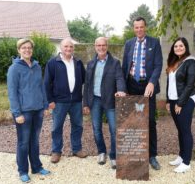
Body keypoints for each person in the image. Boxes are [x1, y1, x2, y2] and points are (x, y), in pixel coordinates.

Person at [122, 16, 163, 170]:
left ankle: (152, 156)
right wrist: (123, 88)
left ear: (145, 27)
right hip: (132, 85)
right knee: (133, 121)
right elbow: (125, 66)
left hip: (148, 86)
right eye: (136, 27)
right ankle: (134, 155)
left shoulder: (154, 42)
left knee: (150, 121)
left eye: (141, 27)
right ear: (134, 28)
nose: (139, 30)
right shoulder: (129, 44)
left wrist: (152, 82)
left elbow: (158, 65)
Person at [7, 38, 51, 183]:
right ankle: (23, 171)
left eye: (29, 48)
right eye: (24, 48)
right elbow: (12, 93)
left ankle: (37, 167)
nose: (27, 50)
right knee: (23, 142)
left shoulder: (37, 67)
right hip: (23, 112)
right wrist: (17, 113)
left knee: (35, 141)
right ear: (19, 50)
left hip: (38, 110)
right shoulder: (14, 68)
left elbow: (41, 87)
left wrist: (45, 105)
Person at [83, 37, 126, 169]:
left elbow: (119, 78)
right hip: (94, 100)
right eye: (98, 45)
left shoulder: (115, 63)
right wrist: (85, 103)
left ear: (107, 46)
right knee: (96, 129)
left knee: (114, 130)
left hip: (110, 100)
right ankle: (101, 152)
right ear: (95, 46)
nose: (101, 48)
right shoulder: (90, 64)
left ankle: (113, 156)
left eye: (103, 45)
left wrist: (121, 90)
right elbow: (87, 85)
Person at [44, 38, 87, 164]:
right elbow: (46, 83)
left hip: (76, 101)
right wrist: (50, 100)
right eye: (66, 47)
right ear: (61, 48)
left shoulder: (78, 62)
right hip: (59, 102)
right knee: (57, 127)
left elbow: (84, 80)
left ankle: (77, 149)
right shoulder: (52, 63)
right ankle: (56, 151)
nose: (68, 49)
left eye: (71, 47)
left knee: (78, 126)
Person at [165, 37, 195, 173]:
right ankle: (181, 156)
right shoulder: (174, 62)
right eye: (176, 46)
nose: (178, 48)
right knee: (180, 129)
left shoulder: (191, 61)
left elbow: (190, 85)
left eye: (181, 46)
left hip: (186, 99)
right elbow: (170, 83)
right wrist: (168, 100)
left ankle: (186, 162)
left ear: (186, 47)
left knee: (185, 130)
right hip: (173, 100)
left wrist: (180, 103)